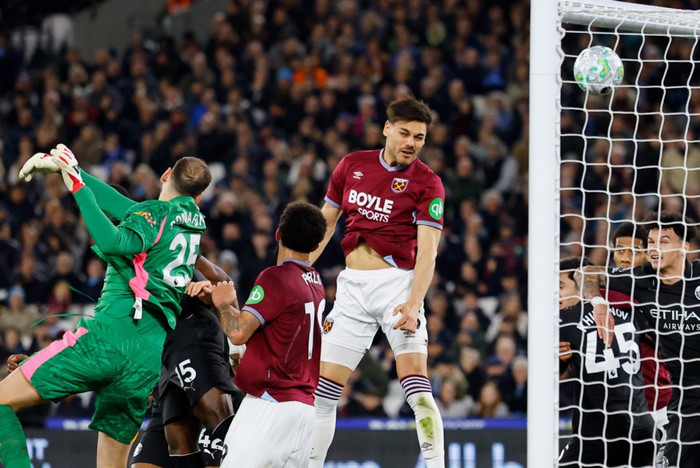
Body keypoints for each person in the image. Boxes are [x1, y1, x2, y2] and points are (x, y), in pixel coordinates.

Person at [0, 144, 211, 468]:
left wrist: (76, 183)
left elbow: (113, 241)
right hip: (146, 361)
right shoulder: (187, 226)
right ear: (198, 197)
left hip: (106, 341)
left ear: (165, 174)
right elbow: (119, 203)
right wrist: (70, 169)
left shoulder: (154, 215)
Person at [308, 96, 446, 467]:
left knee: (417, 390)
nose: (411, 143)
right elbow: (326, 223)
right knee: (322, 394)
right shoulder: (352, 165)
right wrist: (297, 268)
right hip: (352, 288)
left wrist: (414, 304)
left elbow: (428, 252)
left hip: (398, 287)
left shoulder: (427, 183)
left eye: (419, 137)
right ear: (387, 128)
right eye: (405, 133)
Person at [578, 211, 700, 467]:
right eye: (651, 242)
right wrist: (598, 302)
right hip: (686, 397)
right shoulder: (640, 278)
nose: (654, 248)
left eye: (663, 241)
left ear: (685, 247)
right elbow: (586, 273)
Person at [214, 201, 327, 467]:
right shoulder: (316, 282)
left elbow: (238, 332)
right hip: (304, 412)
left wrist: (223, 304)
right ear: (315, 246)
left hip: (270, 404)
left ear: (278, 234)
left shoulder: (275, 277)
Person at [129, 256, 240, 468]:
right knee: (177, 439)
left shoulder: (170, 245)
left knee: (217, 417)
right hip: (165, 351)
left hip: (192, 330)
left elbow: (222, 281)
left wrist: (236, 345)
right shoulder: (125, 260)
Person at [559, 257, 656, 467]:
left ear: (582, 287)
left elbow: (550, 376)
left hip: (597, 435)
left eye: (560, 287)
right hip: (642, 429)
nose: (555, 295)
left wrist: (558, 361)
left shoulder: (563, 320)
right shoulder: (631, 313)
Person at [611, 223, 672, 433]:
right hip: (614, 408)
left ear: (647, 255)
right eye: (620, 251)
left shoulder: (662, 290)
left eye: (634, 252)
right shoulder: (600, 291)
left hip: (658, 404)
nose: (625, 258)